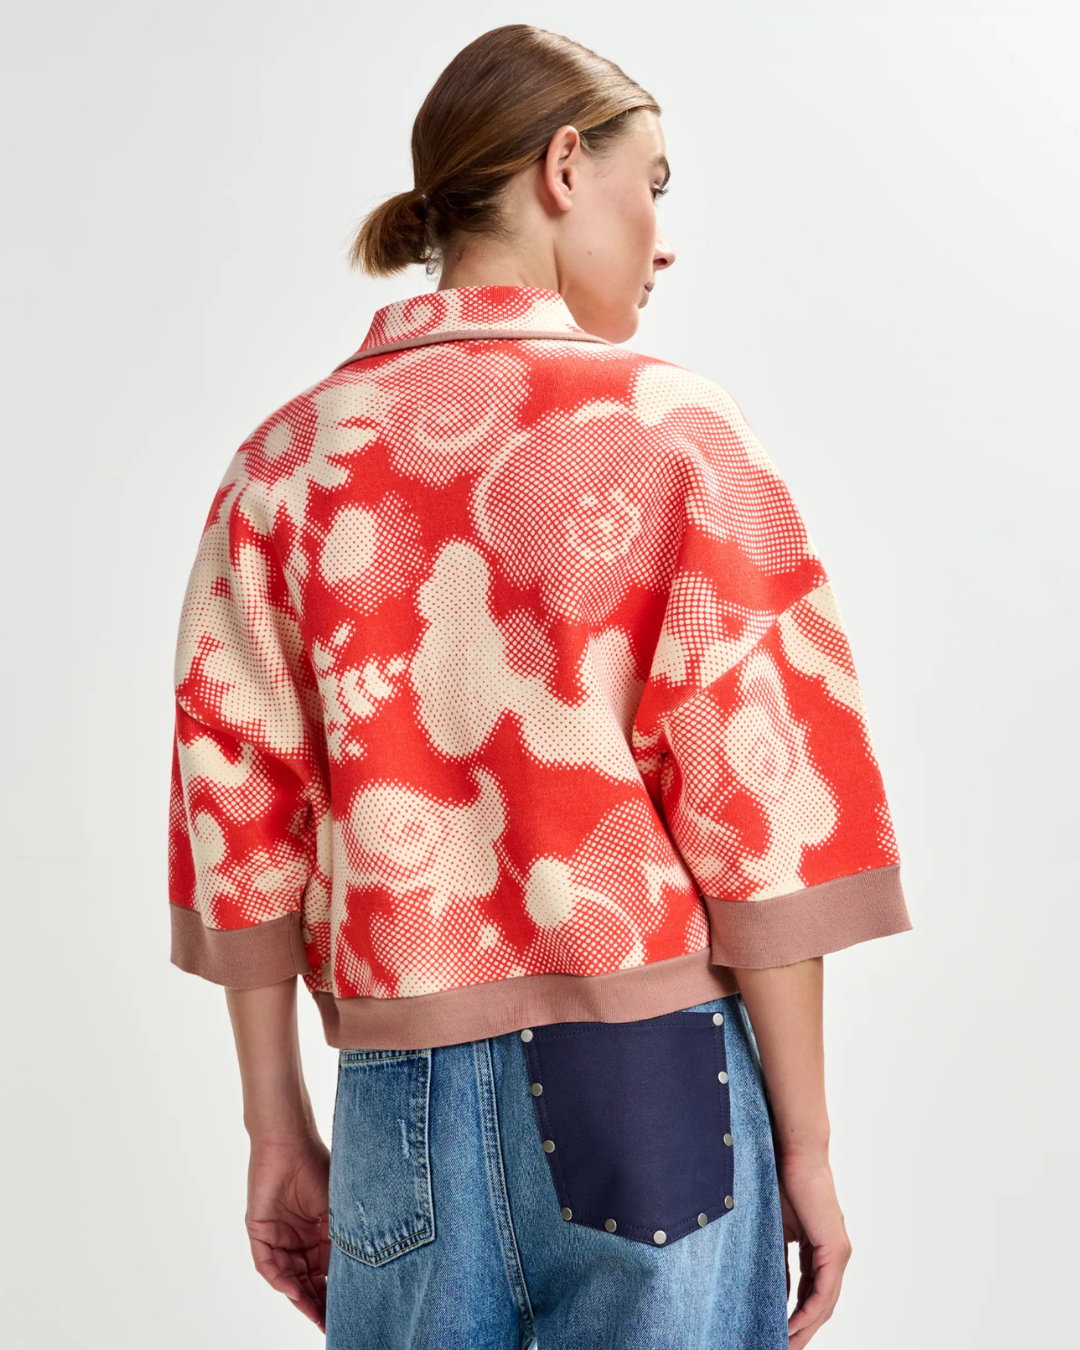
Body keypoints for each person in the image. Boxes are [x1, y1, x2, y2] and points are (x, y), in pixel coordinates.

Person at [167, 23, 911, 1350]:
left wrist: (275, 1126)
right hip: (658, 1086)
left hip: (396, 1095)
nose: (664, 239)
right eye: (654, 184)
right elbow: (761, 816)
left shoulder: (284, 461)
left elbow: (240, 819)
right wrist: (807, 1145)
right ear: (565, 167)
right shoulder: (674, 431)